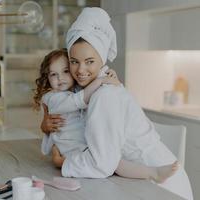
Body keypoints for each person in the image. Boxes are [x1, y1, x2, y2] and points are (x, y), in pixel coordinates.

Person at [40, 7, 193, 200]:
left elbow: (102, 164)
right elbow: (71, 126)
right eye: (74, 61)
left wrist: (63, 162)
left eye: (89, 61)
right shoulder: (85, 89)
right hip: (129, 181)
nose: (80, 70)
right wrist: (46, 127)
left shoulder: (105, 96)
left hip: (162, 188)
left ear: (102, 59)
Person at [34, 48, 179, 184]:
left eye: (65, 71)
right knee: (112, 165)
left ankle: (153, 173)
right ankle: (152, 173)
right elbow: (79, 100)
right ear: (47, 78)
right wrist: (101, 81)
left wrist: (108, 76)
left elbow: (87, 92)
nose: (60, 78)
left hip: (84, 147)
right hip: (72, 149)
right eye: (53, 74)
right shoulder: (52, 98)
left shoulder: (77, 90)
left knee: (114, 164)